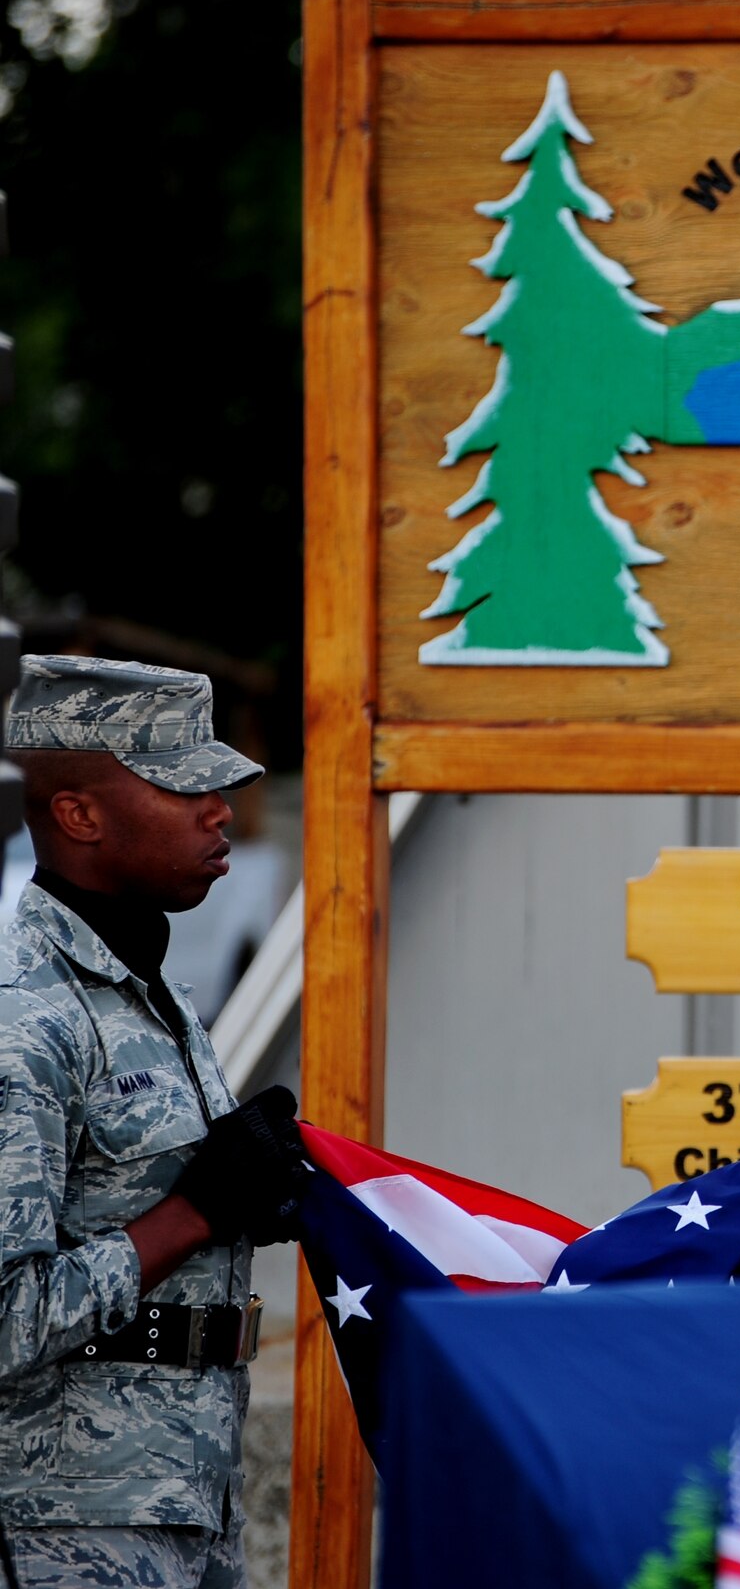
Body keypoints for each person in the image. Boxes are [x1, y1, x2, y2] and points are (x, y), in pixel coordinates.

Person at [0, 656, 311, 1589]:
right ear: (78, 814)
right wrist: (193, 1214)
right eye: (184, 787)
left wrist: (258, 1193)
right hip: (66, 1520)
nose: (220, 810)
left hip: (187, 1498)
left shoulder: (155, 991)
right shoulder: (24, 1018)